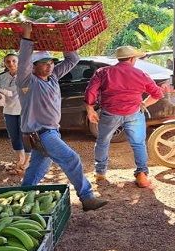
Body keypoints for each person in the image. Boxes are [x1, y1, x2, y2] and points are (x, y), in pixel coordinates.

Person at [16, 22, 107, 211]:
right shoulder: (27, 82)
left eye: (51, 62)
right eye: (44, 63)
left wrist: (65, 39)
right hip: (40, 133)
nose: (49, 66)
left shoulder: (53, 77)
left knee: (35, 170)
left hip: (51, 132)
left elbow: (72, 60)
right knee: (71, 159)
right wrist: (26, 38)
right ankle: (87, 197)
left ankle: (22, 198)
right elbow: (23, 62)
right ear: (34, 67)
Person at [84, 45, 166, 188]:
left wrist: (90, 109)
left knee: (103, 141)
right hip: (134, 113)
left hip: (110, 113)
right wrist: (144, 104)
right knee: (138, 144)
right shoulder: (141, 74)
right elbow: (157, 94)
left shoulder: (103, 72)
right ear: (133, 59)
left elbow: (91, 91)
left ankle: (100, 173)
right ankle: (141, 174)